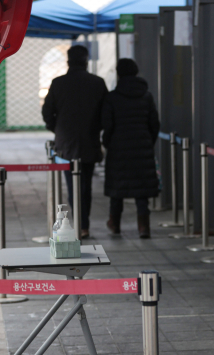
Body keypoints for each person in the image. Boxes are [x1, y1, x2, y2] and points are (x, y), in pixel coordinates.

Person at [42, 45, 108, 239]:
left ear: (68, 61)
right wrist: (96, 129)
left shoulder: (58, 83)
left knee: (72, 185)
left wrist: (58, 130)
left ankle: (79, 224)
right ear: (86, 60)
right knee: (86, 185)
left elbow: (47, 113)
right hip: (90, 141)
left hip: (66, 145)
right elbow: (106, 114)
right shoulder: (97, 83)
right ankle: (84, 224)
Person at [101, 58, 160, 238]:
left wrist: (107, 143)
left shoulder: (112, 97)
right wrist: (147, 142)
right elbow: (154, 124)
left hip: (118, 148)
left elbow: (107, 125)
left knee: (117, 189)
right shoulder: (146, 95)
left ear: (119, 74)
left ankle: (115, 224)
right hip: (142, 146)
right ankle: (143, 227)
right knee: (141, 189)